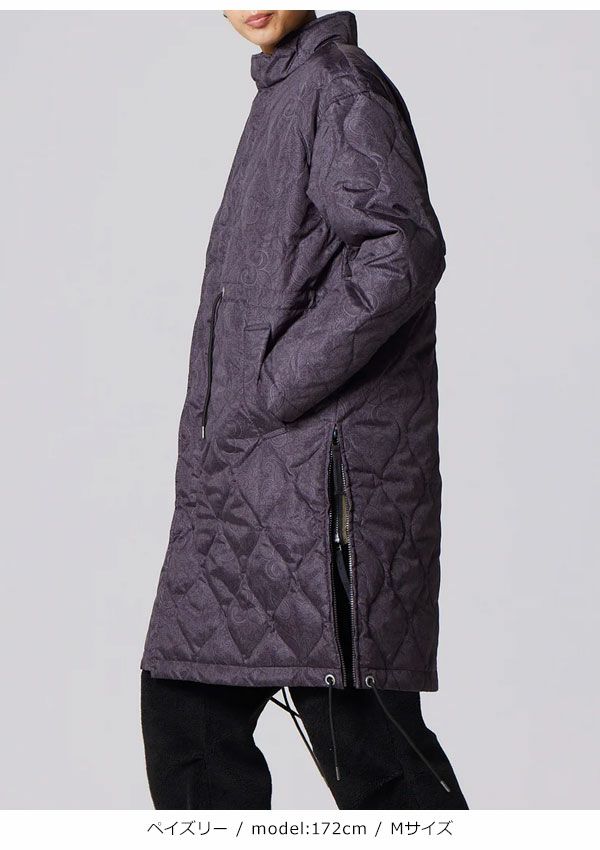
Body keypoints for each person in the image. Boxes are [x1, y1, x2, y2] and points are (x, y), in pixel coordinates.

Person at [140, 10, 469, 810]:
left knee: (366, 743)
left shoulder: (337, 85)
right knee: (188, 715)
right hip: (252, 479)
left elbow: (401, 248)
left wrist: (277, 382)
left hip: (321, 484)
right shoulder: (285, 91)